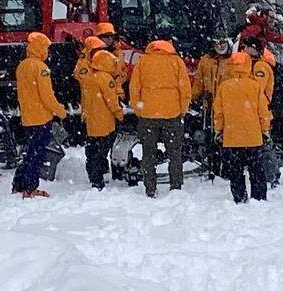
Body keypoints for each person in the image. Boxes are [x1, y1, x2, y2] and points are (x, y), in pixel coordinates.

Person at [129, 38, 191, 198]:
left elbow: (134, 87)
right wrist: (183, 109)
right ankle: (176, 186)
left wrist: (138, 109)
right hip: (172, 113)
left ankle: (150, 187)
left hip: (148, 115)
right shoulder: (176, 61)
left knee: (148, 153)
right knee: (175, 153)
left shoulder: (143, 61)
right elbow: (185, 88)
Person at [12, 32, 67, 198]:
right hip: (41, 117)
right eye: (46, 48)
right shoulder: (41, 68)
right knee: (37, 154)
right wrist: (60, 111)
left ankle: (19, 184)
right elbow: (47, 96)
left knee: (29, 152)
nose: (48, 51)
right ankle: (30, 188)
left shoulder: (22, 66)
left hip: (28, 116)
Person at [213, 52, 272, 203]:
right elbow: (263, 112)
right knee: (256, 170)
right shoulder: (255, 86)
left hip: (232, 137)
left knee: (235, 171)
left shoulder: (224, 87)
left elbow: (218, 113)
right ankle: (258, 198)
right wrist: (265, 130)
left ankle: (239, 198)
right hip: (253, 137)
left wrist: (219, 131)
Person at [80, 50, 124, 189]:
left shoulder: (88, 77)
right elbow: (111, 100)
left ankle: (94, 178)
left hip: (92, 122)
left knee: (93, 152)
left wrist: (85, 115)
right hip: (104, 122)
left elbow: (84, 99)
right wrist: (119, 113)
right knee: (102, 152)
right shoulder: (106, 78)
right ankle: (99, 180)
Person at [95, 22, 128, 100]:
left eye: (111, 36)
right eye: (106, 36)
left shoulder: (118, 53)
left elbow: (119, 74)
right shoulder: (92, 53)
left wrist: (119, 90)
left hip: (112, 91)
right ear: (99, 37)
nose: (109, 39)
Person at [194, 38, 230, 102]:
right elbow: (198, 82)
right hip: (208, 102)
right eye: (218, 43)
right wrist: (192, 98)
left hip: (225, 102)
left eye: (223, 43)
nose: (220, 46)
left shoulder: (233, 61)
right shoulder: (206, 60)